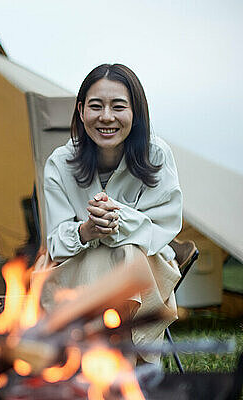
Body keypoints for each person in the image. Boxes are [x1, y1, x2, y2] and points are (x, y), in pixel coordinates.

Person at [40, 63, 182, 364]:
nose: (106, 117)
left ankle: (89, 362)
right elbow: (55, 240)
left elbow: (164, 225)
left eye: (118, 106)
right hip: (75, 270)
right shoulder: (60, 163)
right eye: (96, 106)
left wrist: (118, 219)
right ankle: (127, 366)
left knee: (127, 253)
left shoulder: (157, 155)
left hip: (143, 271)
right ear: (81, 111)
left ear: (136, 112)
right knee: (106, 255)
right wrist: (86, 231)